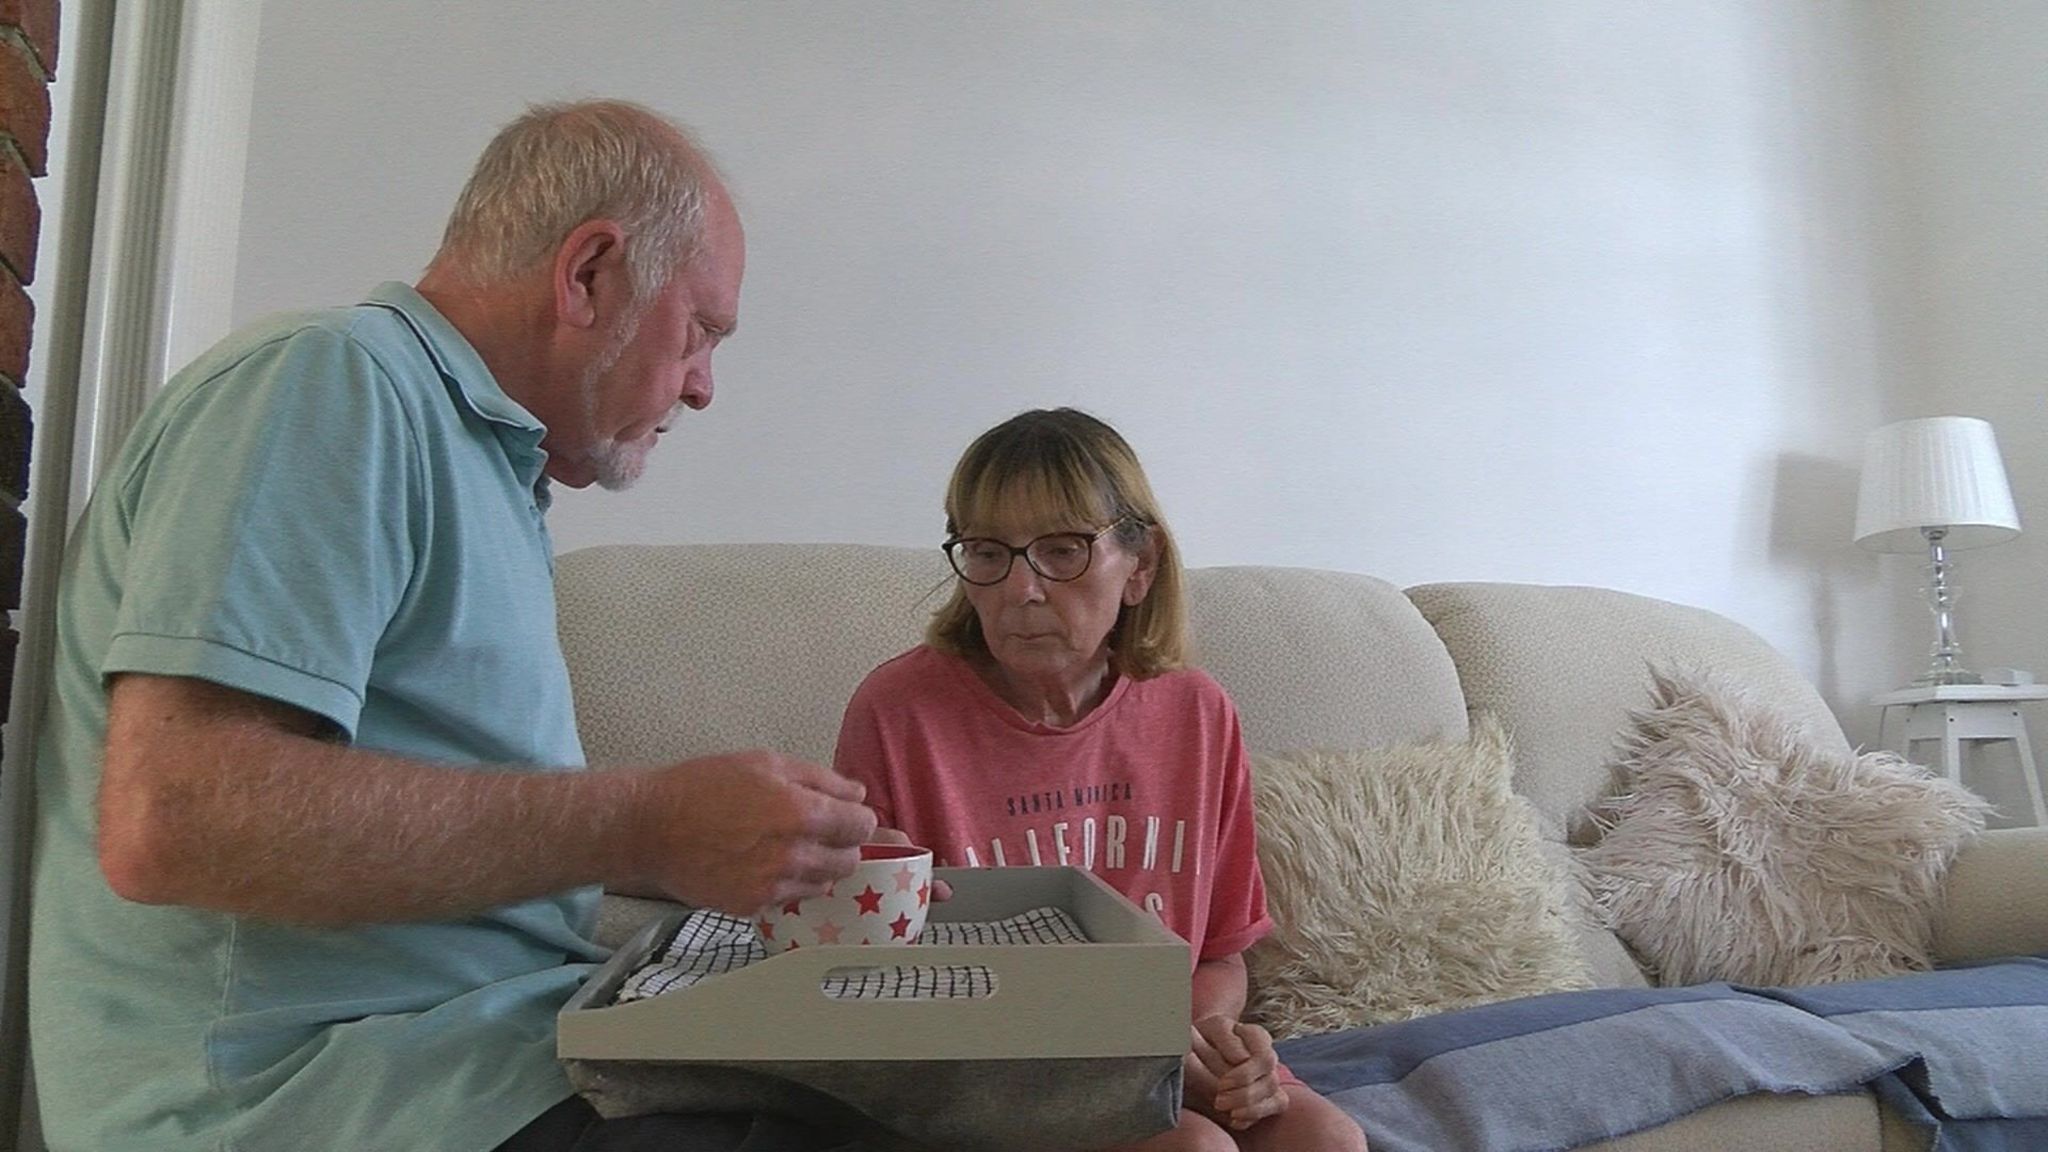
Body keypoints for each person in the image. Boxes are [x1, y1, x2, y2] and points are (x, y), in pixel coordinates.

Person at [27, 99, 889, 1152]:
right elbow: (176, 816)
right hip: (299, 1098)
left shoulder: (489, 473)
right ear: (587, 274)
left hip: (474, 1064)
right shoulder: (329, 381)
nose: (704, 385)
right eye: (700, 330)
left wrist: (720, 850)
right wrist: (645, 823)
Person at [832, 409, 1369, 1152]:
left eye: (1062, 551)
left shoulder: (1197, 712)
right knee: (1197, 1150)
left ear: (1139, 565)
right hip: (990, 1072)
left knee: (1328, 1141)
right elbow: (865, 975)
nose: (1021, 588)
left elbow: (1218, 951)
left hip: (1160, 1053)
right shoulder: (898, 714)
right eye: (988, 553)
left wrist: (1212, 1042)